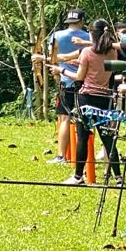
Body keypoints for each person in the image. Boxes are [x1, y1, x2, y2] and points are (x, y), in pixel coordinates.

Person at [64, 18, 120, 185]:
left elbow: (79, 77)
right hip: (105, 98)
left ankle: (78, 176)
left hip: (86, 98)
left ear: (91, 34)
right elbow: (105, 72)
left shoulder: (87, 52)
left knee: (82, 137)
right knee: (107, 138)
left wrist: (62, 70)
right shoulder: (112, 52)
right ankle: (118, 177)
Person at [37, 9, 91, 166]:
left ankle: (62, 156)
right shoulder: (89, 37)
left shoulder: (57, 36)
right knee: (86, 119)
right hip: (84, 82)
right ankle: (86, 156)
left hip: (64, 80)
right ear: (81, 21)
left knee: (64, 119)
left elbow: (50, 56)